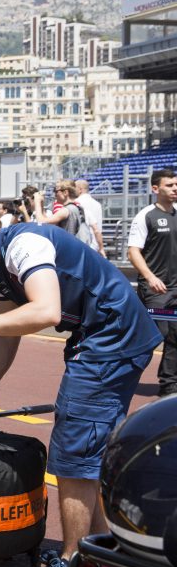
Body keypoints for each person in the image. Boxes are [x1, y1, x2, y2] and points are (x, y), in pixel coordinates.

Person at [0, 201, 160, 567]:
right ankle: (104, 549)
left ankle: (72, 565)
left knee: (72, 452)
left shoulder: (25, 245)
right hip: (99, 336)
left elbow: (46, 311)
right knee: (89, 452)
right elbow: (8, 332)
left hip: (112, 338)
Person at [127, 169, 177, 398]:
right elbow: (133, 251)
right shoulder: (146, 215)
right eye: (170, 185)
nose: (175, 188)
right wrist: (150, 277)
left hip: (175, 287)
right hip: (156, 289)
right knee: (156, 335)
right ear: (155, 189)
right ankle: (120, 375)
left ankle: (169, 386)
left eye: (176, 184)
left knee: (175, 335)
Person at [33, 180, 95, 250]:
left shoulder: (67, 210)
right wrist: (41, 204)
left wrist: (37, 201)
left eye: (56, 191)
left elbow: (41, 222)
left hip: (67, 250)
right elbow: (47, 224)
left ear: (65, 192)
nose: (54, 194)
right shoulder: (76, 207)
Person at [75, 179, 106, 255]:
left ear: (80, 189)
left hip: (81, 242)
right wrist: (100, 246)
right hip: (95, 243)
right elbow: (98, 228)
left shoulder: (76, 203)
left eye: (74, 188)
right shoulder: (97, 204)